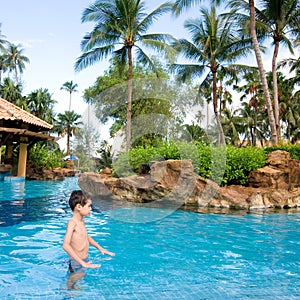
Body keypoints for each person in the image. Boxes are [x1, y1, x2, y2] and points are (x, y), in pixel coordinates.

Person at [62, 190, 115, 288]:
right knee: (74, 282)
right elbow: (65, 245)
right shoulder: (72, 223)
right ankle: (66, 293)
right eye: (89, 206)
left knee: (79, 280)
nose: (90, 209)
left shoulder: (81, 221)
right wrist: (82, 263)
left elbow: (86, 236)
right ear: (79, 207)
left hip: (83, 260)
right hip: (76, 262)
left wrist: (100, 248)